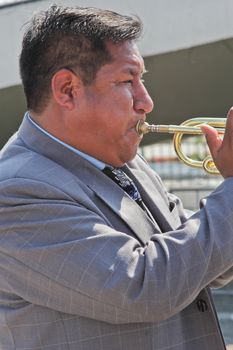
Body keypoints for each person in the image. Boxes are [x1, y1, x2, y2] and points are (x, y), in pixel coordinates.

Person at [1, 4, 233, 350]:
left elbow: (202, 265)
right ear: (67, 89)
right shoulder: (15, 192)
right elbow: (144, 287)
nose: (146, 102)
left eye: (143, 80)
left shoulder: (121, 158)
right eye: (127, 81)